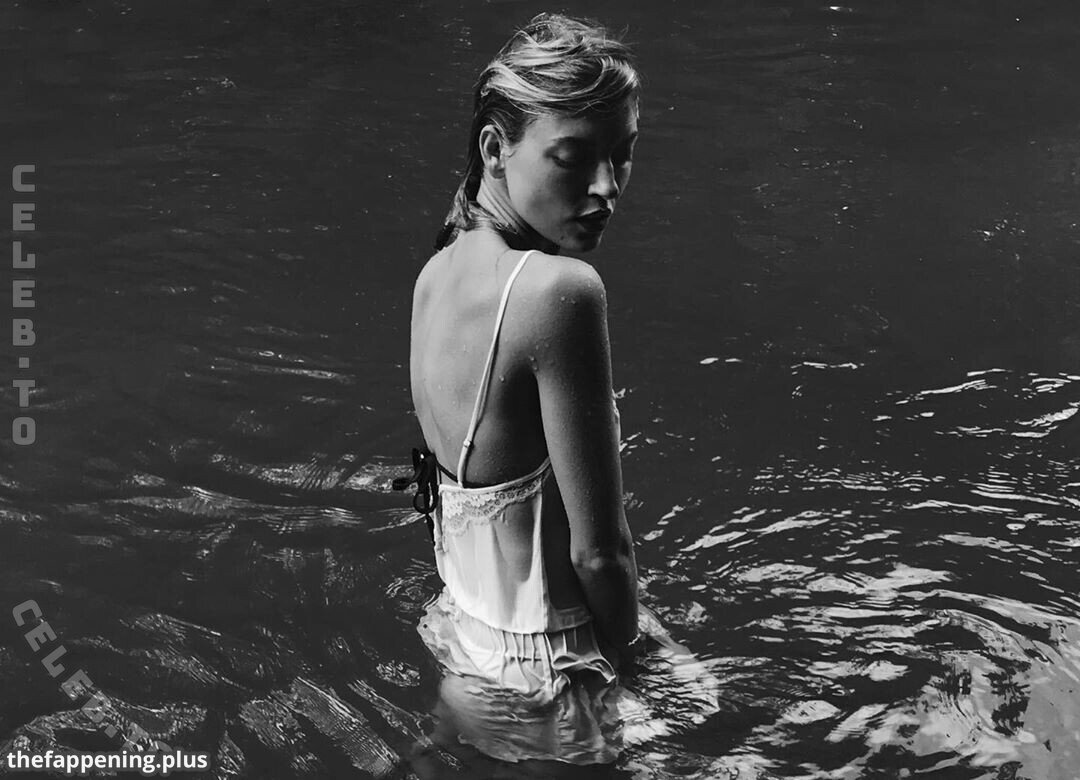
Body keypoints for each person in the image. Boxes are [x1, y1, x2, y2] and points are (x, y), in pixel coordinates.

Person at [396, 13, 714, 769]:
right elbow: (601, 553)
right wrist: (629, 673)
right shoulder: (559, 292)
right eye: (573, 159)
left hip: (465, 639)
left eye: (622, 155)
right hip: (553, 677)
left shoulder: (436, 276)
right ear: (494, 150)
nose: (607, 187)